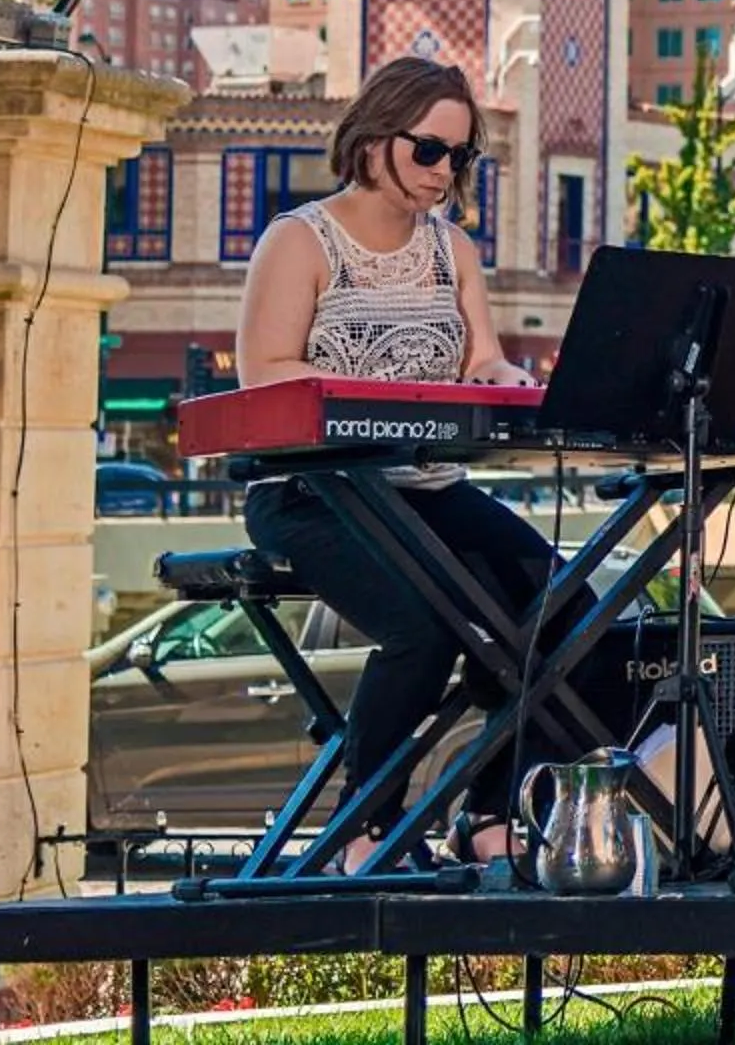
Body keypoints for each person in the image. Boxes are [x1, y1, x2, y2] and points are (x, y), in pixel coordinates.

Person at [235, 56, 556, 869]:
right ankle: (362, 825)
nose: (444, 172)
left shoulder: (456, 252)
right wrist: (364, 392)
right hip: (314, 491)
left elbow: (482, 360)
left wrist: (516, 383)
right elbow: (261, 373)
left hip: (426, 487)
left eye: (460, 157)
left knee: (567, 615)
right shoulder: (300, 241)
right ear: (375, 141)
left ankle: (486, 810)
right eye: (428, 151)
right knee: (423, 627)